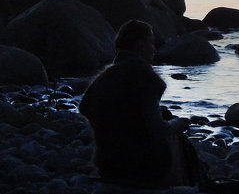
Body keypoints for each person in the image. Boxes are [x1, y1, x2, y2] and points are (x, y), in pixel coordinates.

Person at [79, 19, 200, 189]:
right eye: (151, 43)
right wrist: (180, 123)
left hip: (107, 165)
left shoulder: (104, 78)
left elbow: (84, 107)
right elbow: (157, 130)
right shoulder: (145, 77)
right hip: (141, 169)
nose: (155, 49)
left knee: (165, 115)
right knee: (174, 130)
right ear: (140, 45)